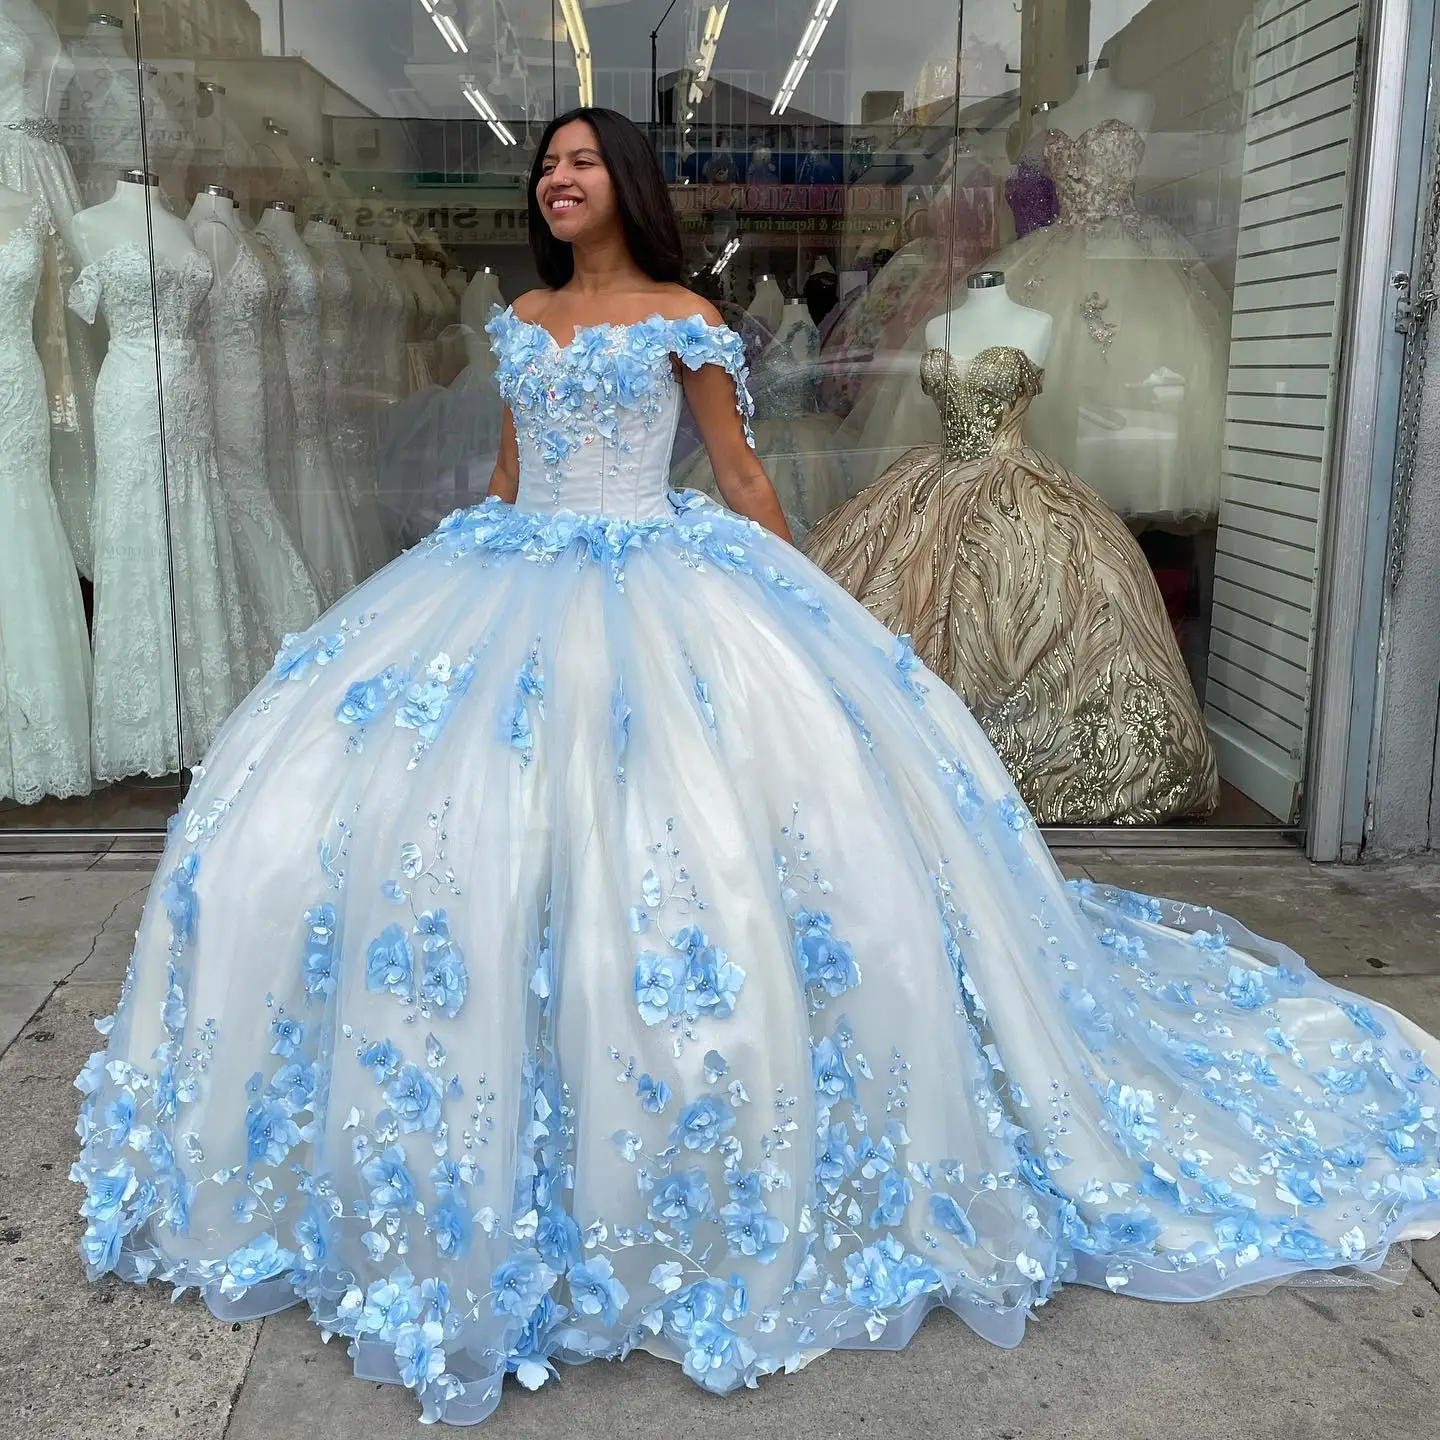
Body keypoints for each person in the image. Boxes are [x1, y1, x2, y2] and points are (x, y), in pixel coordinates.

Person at [71, 108, 1440, 1427]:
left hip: (665, 585)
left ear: (630, 184)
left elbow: (736, 476)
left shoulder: (685, 317)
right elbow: (504, 478)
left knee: (693, 852)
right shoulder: (522, 324)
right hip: (513, 577)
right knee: (448, 835)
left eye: (584, 162)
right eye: (547, 163)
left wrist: (810, 614)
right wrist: (445, 575)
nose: (558, 179)